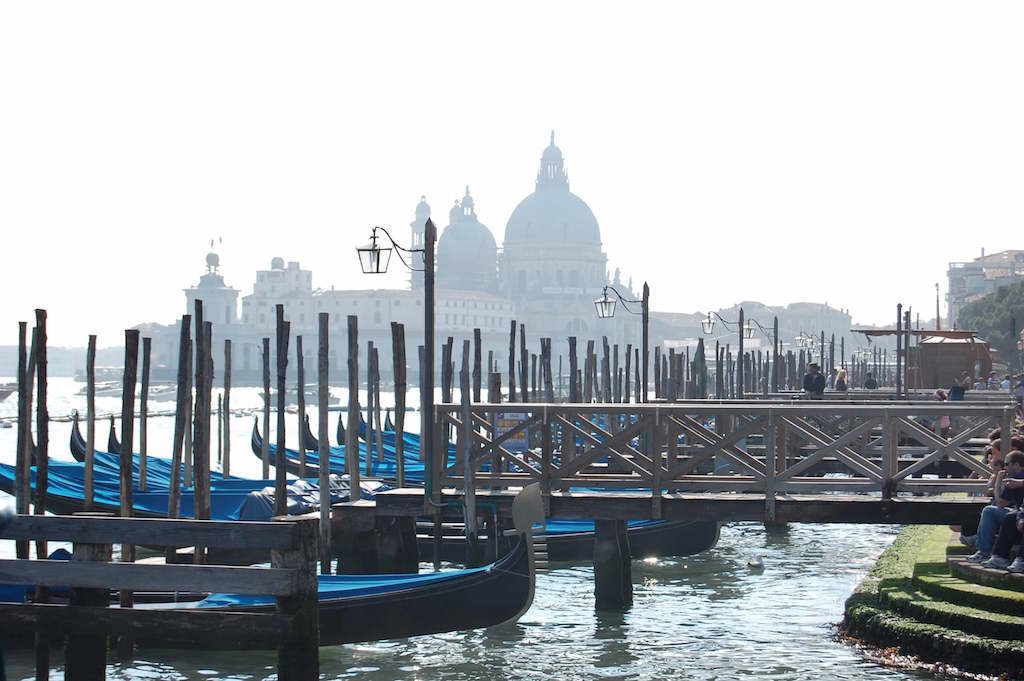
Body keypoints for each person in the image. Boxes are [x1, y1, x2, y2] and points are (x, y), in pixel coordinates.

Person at [967, 448, 1024, 564]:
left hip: (1018, 515)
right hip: (1018, 513)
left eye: (1007, 464)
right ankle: (985, 549)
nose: (1005, 468)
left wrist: (998, 481)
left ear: (1017, 465)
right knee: (991, 509)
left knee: (989, 511)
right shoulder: (1018, 476)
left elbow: (1000, 503)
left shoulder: (1016, 478)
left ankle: (984, 552)